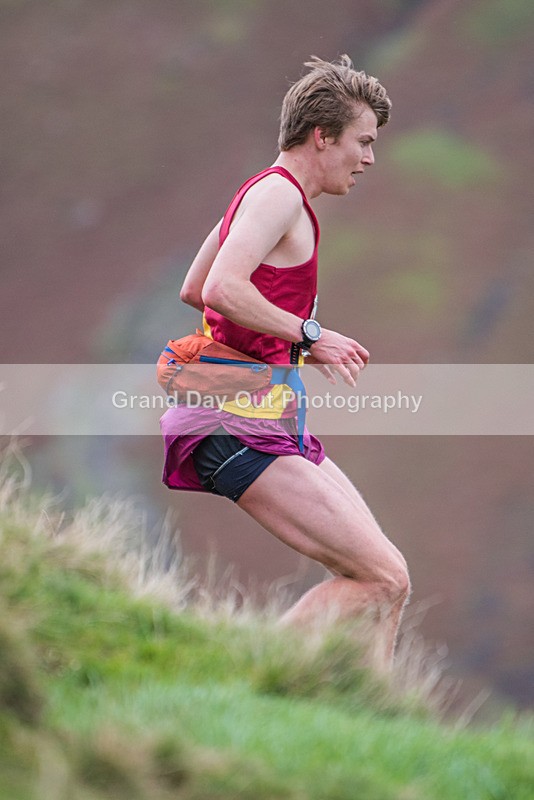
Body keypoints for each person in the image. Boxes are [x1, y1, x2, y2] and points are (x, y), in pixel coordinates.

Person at [160, 55, 410, 671]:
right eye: (363, 141)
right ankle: (251, 678)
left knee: (388, 576)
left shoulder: (261, 191)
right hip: (232, 418)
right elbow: (220, 289)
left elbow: (195, 288)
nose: (370, 159)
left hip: (260, 412)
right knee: (380, 578)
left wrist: (288, 342)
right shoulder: (279, 196)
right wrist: (311, 334)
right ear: (322, 136)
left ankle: (373, 711)